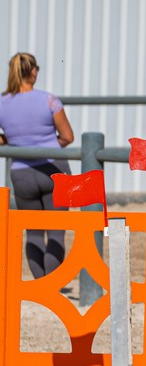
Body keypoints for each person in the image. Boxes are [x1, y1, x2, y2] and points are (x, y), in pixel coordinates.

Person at [0, 52, 75, 280]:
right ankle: (51, 286)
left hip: (22, 173)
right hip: (53, 169)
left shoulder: (2, 103)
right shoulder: (49, 100)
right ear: (33, 72)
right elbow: (67, 137)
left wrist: (12, 139)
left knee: (33, 233)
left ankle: (39, 285)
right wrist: (46, 144)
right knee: (56, 232)